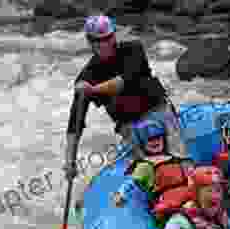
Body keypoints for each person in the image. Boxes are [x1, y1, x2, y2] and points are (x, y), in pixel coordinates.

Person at [63, 14, 184, 182]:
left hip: (158, 112)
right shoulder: (87, 76)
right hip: (129, 127)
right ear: (90, 42)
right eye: (98, 40)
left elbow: (126, 80)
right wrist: (70, 160)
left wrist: (93, 89)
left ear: (113, 36)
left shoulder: (134, 49)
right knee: (146, 176)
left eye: (108, 38)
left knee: (179, 164)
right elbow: (75, 123)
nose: (105, 43)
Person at [113, 116, 194, 228]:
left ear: (164, 139)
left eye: (157, 138)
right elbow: (132, 183)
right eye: (150, 140)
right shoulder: (145, 166)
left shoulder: (175, 159)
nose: (155, 142)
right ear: (142, 143)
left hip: (187, 200)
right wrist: (121, 194)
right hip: (168, 208)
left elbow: (189, 177)